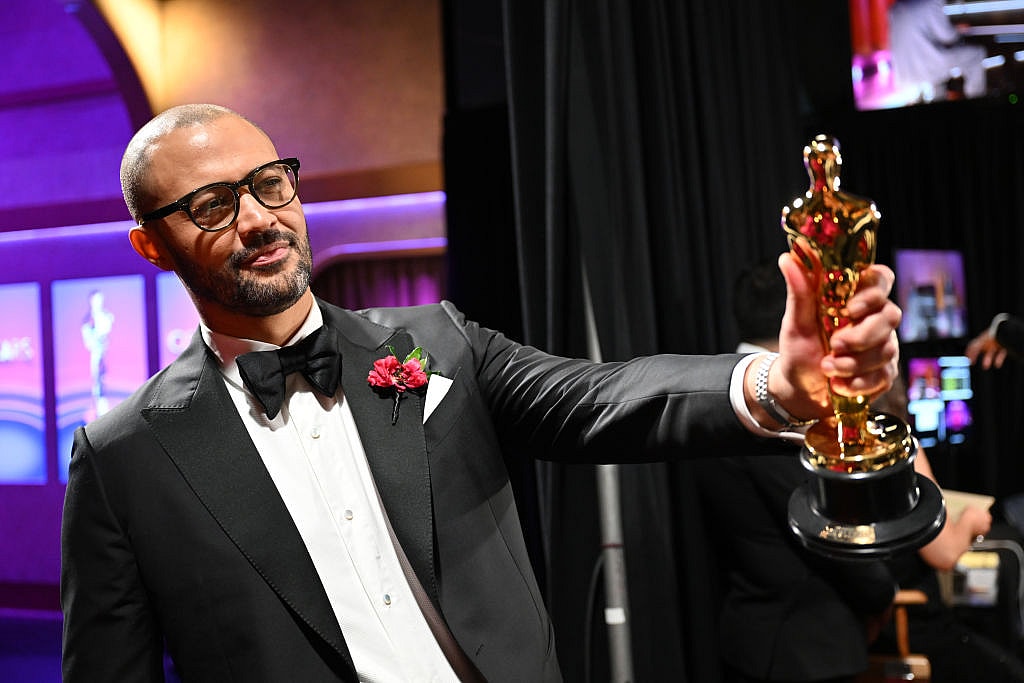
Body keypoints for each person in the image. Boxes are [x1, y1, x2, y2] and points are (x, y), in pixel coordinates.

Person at [59, 103, 903, 682]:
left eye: (270, 182)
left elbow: (602, 396)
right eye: (211, 205)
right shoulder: (125, 456)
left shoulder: (436, 342)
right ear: (150, 244)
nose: (257, 218)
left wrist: (777, 383)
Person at [693, 261, 898, 683]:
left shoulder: (714, 398)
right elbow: (829, 529)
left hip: (753, 638)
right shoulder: (773, 414)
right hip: (805, 649)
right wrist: (882, 595)